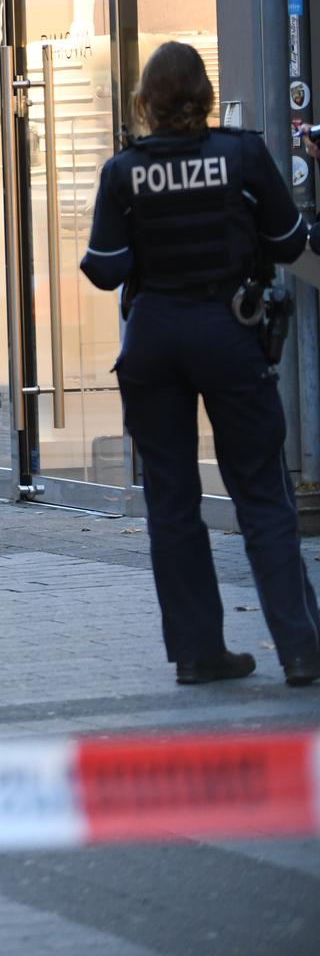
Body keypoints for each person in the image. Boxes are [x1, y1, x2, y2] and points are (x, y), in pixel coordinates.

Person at [80, 40, 320, 689]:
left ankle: (197, 653)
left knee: (172, 499)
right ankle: (300, 651)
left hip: (154, 339)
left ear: (145, 104)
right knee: (262, 494)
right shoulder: (240, 154)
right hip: (228, 332)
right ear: (206, 97)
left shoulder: (123, 171)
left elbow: (103, 270)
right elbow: (291, 241)